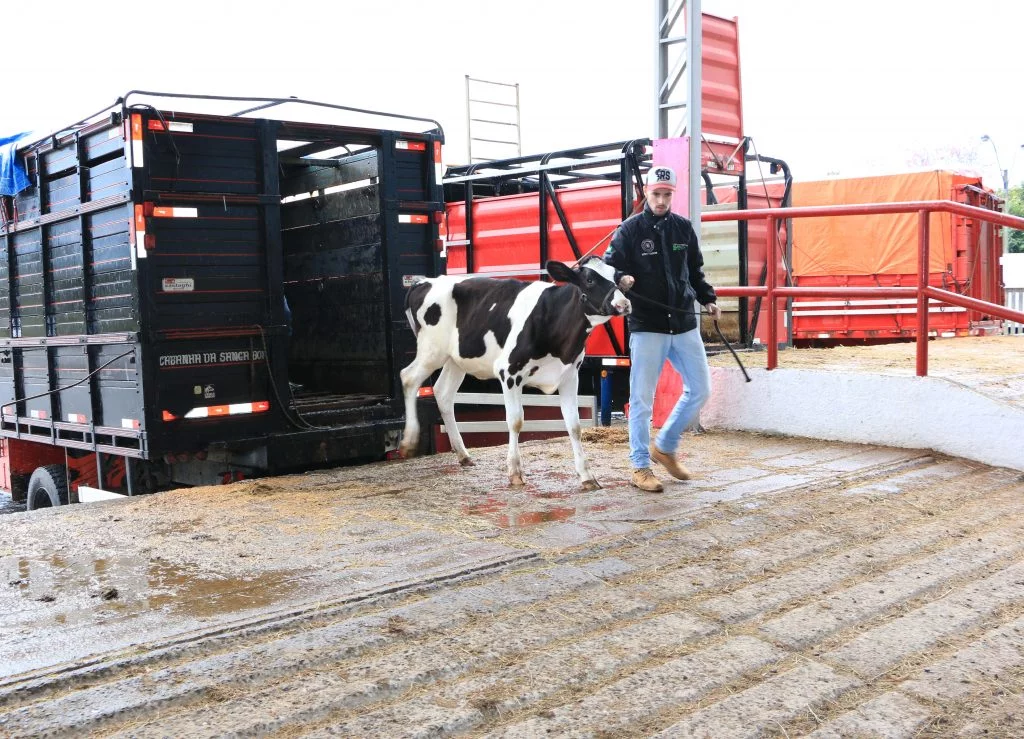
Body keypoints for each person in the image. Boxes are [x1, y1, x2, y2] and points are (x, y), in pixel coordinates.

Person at [604, 165, 721, 492]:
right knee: (642, 399)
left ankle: (665, 446)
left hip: (684, 322)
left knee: (700, 389)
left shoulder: (683, 229)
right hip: (648, 325)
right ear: (647, 193)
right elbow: (607, 266)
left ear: (673, 194)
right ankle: (640, 466)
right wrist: (620, 279)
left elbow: (695, 272)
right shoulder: (629, 230)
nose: (660, 200)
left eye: (666, 194)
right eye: (656, 194)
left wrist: (708, 299)